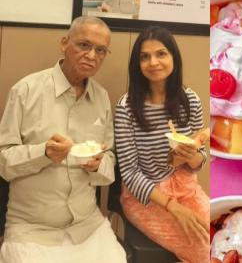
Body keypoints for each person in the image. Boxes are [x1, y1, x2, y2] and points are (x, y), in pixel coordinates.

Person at [0, 16, 126, 263]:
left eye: (100, 50)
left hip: (87, 226)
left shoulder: (101, 98)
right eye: (84, 45)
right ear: (64, 43)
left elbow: (109, 160)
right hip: (32, 229)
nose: (92, 55)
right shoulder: (26, 91)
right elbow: (3, 161)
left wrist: (97, 164)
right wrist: (43, 153)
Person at [114, 25, 209, 263]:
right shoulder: (126, 108)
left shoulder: (190, 101)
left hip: (185, 189)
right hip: (145, 196)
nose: (153, 62)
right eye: (144, 57)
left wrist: (191, 155)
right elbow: (129, 173)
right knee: (201, 249)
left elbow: (199, 161)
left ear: (173, 58)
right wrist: (174, 208)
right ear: (137, 64)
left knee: (216, 236)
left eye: (161, 54)